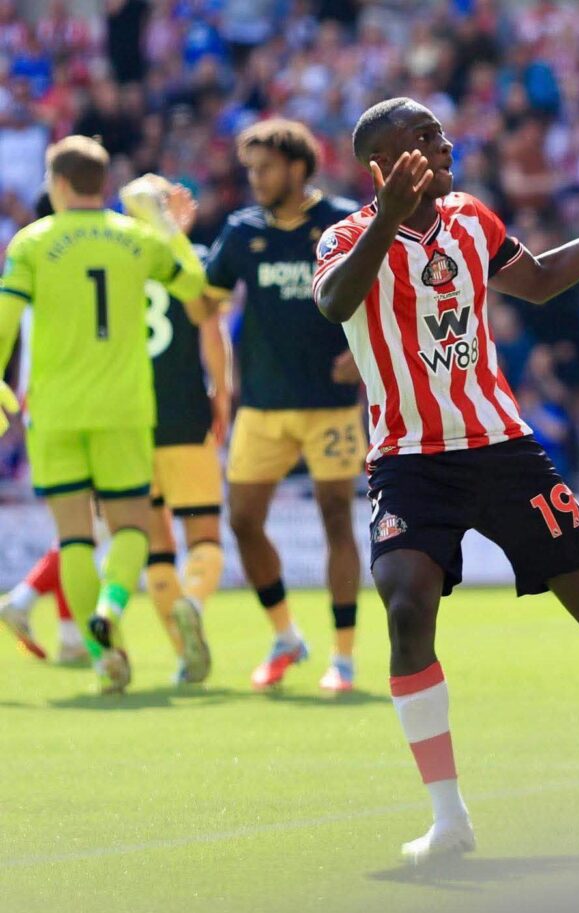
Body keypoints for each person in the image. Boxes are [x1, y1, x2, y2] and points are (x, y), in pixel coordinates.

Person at [313, 97, 579, 862]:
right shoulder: (344, 238)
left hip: (502, 445)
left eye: (440, 135)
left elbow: (540, 282)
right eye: (421, 141)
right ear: (380, 167)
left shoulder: (472, 218)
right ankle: (449, 818)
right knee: (406, 606)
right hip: (409, 461)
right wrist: (386, 217)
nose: (442, 146)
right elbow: (336, 300)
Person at [0, 135, 205, 693]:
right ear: (102, 183)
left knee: (73, 540)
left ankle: (99, 656)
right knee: (132, 528)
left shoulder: (32, 241)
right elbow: (195, 289)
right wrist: (165, 226)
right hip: (124, 408)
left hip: (56, 411)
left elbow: (5, 316)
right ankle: (111, 610)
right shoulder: (135, 239)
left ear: (58, 183)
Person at [204, 118, 366, 692]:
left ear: (298, 168)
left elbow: (381, 299)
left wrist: (362, 357)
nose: (255, 179)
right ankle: (285, 636)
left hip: (330, 403)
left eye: (265, 168)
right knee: (243, 520)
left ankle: (342, 657)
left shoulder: (343, 222)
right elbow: (207, 299)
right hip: (262, 405)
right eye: (250, 169)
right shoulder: (240, 230)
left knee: (335, 518)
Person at [136, 175, 231, 685]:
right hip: (185, 413)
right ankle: (193, 601)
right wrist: (223, 396)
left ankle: (183, 654)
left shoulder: (119, 262)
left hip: (129, 421)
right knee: (204, 536)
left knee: (154, 546)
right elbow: (212, 332)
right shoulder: (187, 262)